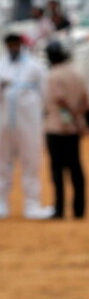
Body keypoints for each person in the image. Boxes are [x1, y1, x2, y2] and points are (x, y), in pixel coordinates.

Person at [0, 33, 52, 220]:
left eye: (15, 44)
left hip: (29, 123)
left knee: (31, 161)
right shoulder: (1, 64)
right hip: (3, 123)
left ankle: (32, 204)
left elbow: (46, 94)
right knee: (2, 163)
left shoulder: (35, 67)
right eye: (9, 44)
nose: (12, 47)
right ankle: (2, 203)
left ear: (20, 45)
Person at [44, 40, 89, 219]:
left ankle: (59, 209)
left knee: (57, 170)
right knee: (76, 167)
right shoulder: (78, 74)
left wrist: (69, 117)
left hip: (56, 128)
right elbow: (86, 102)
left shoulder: (54, 75)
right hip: (74, 130)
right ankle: (79, 209)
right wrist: (79, 121)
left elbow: (60, 100)